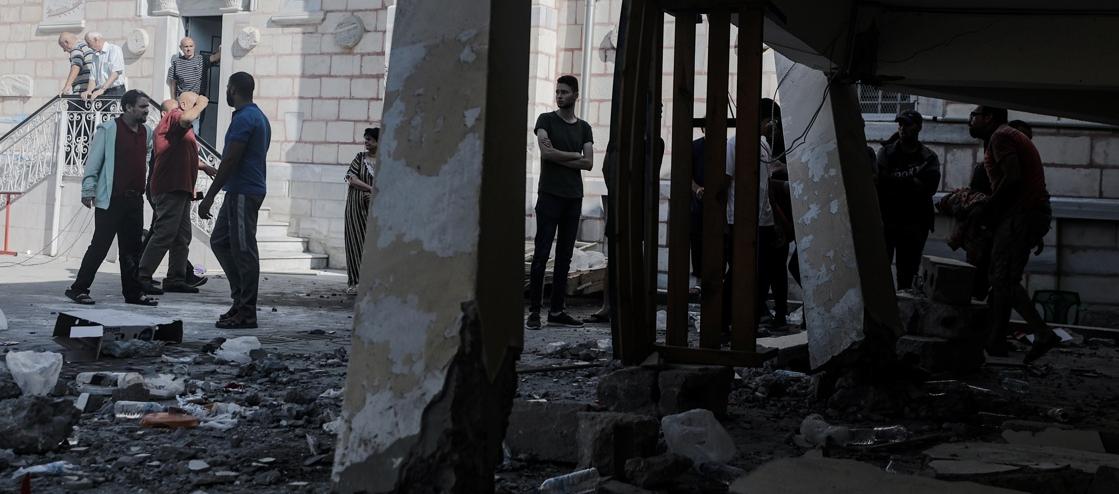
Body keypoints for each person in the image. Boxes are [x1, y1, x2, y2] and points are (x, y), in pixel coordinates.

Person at [967, 105, 1058, 363]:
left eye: (975, 116)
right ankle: (1010, 337)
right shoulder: (1005, 137)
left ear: (989, 118)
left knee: (1002, 278)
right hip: (1026, 215)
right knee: (1006, 279)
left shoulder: (1001, 136)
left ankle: (1042, 333)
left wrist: (988, 206)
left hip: (1021, 215)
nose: (970, 121)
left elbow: (1013, 178)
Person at [64, 90, 158, 307]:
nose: (146, 110)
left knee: (132, 249)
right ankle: (79, 289)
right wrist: (88, 189)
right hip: (111, 199)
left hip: (135, 200)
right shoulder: (109, 129)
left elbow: (145, 157)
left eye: (147, 107)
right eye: (142, 107)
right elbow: (94, 161)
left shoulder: (147, 132)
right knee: (100, 246)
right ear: (128, 107)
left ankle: (133, 294)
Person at [199, 72, 272, 329]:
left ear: (232, 90)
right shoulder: (258, 117)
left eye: (227, 89)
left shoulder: (247, 118)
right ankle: (239, 300)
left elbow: (231, 159)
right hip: (239, 189)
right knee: (220, 241)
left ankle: (247, 311)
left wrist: (209, 196)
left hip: (244, 190)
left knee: (244, 250)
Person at [526, 75, 594, 330]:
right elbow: (546, 152)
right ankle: (534, 312)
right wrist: (574, 155)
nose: (559, 95)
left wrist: (560, 156)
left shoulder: (584, 127)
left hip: (573, 197)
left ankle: (556, 310)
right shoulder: (546, 120)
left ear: (576, 95)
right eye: (557, 92)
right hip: (550, 196)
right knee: (541, 254)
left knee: (564, 256)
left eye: (565, 92)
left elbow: (589, 163)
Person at [137, 92, 216, 295]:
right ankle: (142, 276)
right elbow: (188, 117)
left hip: (181, 188)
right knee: (164, 232)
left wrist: (203, 166)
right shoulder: (173, 116)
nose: (196, 106)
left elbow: (178, 153)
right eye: (193, 102)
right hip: (170, 188)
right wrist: (202, 103)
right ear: (182, 104)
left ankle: (176, 278)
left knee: (182, 236)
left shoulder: (177, 127)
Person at [723, 100, 779, 332]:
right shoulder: (734, 144)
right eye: (770, 121)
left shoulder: (764, 145)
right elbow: (725, 183)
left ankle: (751, 323)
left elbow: (767, 185)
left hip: (764, 221)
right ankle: (725, 322)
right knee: (738, 273)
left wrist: (776, 222)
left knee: (762, 274)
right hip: (739, 221)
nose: (773, 126)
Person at [875, 110, 941, 290]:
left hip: (915, 224)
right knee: (879, 271)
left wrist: (896, 182)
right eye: (900, 124)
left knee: (908, 273)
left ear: (918, 128)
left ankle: (903, 311)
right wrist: (912, 182)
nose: (902, 128)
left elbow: (930, 187)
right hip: (888, 221)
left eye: (907, 124)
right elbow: (882, 184)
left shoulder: (928, 157)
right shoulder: (887, 152)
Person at [343, 127, 379, 295]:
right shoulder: (360, 158)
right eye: (366, 139)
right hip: (356, 207)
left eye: (370, 139)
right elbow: (352, 178)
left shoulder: (384, 161)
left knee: (372, 243)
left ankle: (372, 281)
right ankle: (356, 281)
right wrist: (370, 188)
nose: (366, 142)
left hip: (375, 209)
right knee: (356, 241)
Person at [167, 37, 220, 134]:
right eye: (186, 46)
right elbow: (173, 83)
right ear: (181, 48)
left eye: (191, 46)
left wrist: (222, 48)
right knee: (181, 127)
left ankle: (193, 147)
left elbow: (215, 58)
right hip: (183, 101)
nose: (188, 49)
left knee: (195, 129)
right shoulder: (176, 62)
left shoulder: (202, 59)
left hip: (197, 100)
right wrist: (174, 101)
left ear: (194, 46)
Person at [82, 32, 127, 100]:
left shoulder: (114, 49)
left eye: (88, 43)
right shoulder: (95, 56)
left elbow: (115, 73)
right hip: (100, 92)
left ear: (96, 40)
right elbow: (92, 77)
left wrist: (102, 89)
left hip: (115, 91)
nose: (88, 46)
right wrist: (89, 91)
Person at [57, 32, 93, 96]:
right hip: (91, 91)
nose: (64, 50)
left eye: (63, 47)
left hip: (82, 92)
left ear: (66, 42)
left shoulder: (76, 48)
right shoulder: (87, 46)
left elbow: (76, 65)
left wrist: (67, 87)